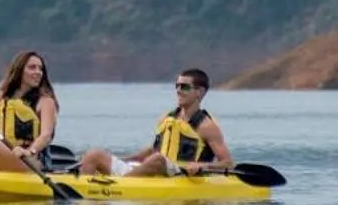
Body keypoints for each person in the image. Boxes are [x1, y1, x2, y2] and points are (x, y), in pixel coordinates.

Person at [78, 67, 232, 177]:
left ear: (199, 92)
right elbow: (154, 149)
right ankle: (85, 189)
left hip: (180, 175)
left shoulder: (207, 126)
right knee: (94, 154)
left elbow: (227, 162)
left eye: (184, 87)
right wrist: (126, 159)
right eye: (177, 86)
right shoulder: (167, 118)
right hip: (151, 170)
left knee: (158, 160)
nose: (178, 90)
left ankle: (120, 185)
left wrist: (202, 165)